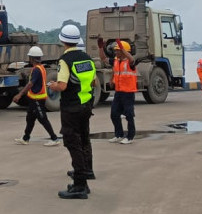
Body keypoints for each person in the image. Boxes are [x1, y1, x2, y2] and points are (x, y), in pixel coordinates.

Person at [47, 24, 96, 200]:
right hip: (86, 104)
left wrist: (52, 85)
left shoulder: (64, 61)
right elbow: (94, 82)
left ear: (62, 40)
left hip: (71, 107)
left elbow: (63, 85)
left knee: (71, 142)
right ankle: (84, 176)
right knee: (83, 139)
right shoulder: (86, 58)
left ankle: (80, 185)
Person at [12, 46, 60, 146]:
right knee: (30, 118)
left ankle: (54, 138)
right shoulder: (41, 68)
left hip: (38, 99)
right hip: (34, 99)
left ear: (32, 58)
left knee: (42, 118)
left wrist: (19, 94)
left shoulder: (36, 70)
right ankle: (26, 138)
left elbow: (30, 84)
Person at [98, 38, 137, 144]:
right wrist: (101, 47)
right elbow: (103, 58)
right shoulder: (116, 61)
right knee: (114, 114)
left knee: (129, 115)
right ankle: (119, 134)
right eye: (115, 50)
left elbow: (132, 60)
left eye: (117, 50)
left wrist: (123, 49)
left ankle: (130, 137)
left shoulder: (130, 62)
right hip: (119, 92)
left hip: (128, 92)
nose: (115, 52)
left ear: (124, 51)